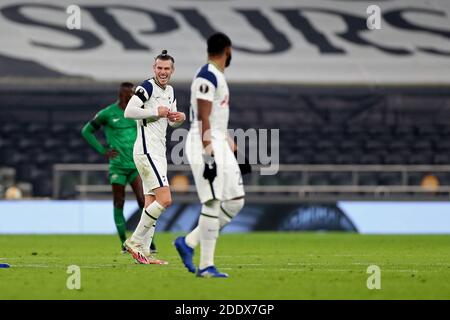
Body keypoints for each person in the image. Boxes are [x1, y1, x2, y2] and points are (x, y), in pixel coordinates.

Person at [174, 33, 247, 278]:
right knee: (213, 202)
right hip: (203, 142)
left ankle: (188, 243)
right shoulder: (206, 76)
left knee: (236, 200)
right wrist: (208, 154)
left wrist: (234, 148)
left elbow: (216, 121)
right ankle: (206, 266)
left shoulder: (218, 76)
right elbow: (203, 118)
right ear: (228, 50)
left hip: (218, 141)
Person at [123, 50, 186, 265]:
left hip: (157, 151)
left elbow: (171, 121)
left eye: (166, 68)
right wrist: (154, 112)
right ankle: (135, 241)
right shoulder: (146, 87)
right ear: (154, 69)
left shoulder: (170, 91)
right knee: (165, 199)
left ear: (172, 70)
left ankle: (145, 253)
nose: (163, 72)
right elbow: (129, 112)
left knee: (151, 201)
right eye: (159, 68)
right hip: (146, 150)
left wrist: (180, 118)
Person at [81, 82, 157, 255]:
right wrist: (103, 151)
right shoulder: (108, 114)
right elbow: (86, 131)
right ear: (121, 94)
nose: (130, 96)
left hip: (136, 164)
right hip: (117, 166)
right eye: (127, 93)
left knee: (144, 202)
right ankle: (124, 242)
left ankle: (148, 240)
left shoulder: (137, 111)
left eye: (132, 93)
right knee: (119, 202)